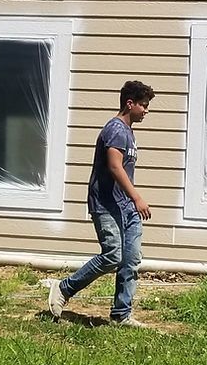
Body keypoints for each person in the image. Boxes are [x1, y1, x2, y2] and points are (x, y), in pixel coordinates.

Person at [45, 79, 155, 327]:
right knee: (113, 256)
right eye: (144, 105)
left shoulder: (128, 131)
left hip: (125, 208)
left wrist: (131, 201)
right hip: (106, 204)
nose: (146, 111)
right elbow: (115, 166)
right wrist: (137, 196)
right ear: (130, 103)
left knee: (130, 259)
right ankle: (63, 289)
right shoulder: (115, 129)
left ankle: (121, 314)